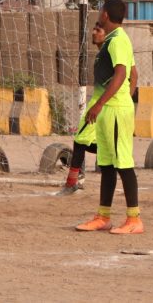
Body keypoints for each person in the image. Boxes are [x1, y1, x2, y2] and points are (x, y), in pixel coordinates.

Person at [75, 0, 143, 234]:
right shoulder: (111, 40)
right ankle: (103, 216)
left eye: (100, 10)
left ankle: (134, 219)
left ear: (105, 14)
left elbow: (122, 74)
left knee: (123, 163)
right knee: (107, 164)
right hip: (108, 110)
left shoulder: (118, 40)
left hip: (114, 110)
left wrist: (101, 104)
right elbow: (129, 74)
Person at [57, 22, 138, 196]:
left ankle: (72, 182)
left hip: (105, 105)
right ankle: (75, 181)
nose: (93, 32)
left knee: (81, 140)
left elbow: (133, 74)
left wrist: (124, 99)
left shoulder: (116, 45)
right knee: (85, 141)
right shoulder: (104, 52)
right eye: (93, 29)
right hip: (101, 103)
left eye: (98, 30)